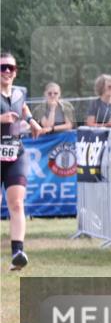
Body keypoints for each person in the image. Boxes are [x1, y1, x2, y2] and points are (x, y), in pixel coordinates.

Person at [1, 52, 43, 270]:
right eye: (2, 67)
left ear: (16, 72)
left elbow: (23, 106)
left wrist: (32, 121)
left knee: (17, 203)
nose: (7, 71)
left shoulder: (20, 92)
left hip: (15, 152)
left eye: (11, 68)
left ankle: (18, 252)